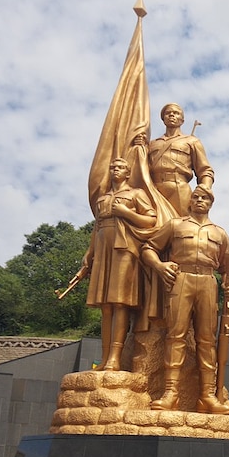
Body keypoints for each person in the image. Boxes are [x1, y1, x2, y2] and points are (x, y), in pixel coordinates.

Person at [141, 186, 229, 414]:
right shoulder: (176, 225)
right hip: (181, 280)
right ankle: (170, 394)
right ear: (190, 201)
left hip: (207, 282)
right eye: (196, 197)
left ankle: (207, 396)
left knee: (206, 341)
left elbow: (227, 270)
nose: (200, 200)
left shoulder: (220, 233)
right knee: (175, 336)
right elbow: (148, 248)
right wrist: (160, 266)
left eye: (205, 197)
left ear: (211, 203)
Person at [81, 157, 157, 371]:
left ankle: (115, 356)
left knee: (119, 301)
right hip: (104, 249)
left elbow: (151, 220)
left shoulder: (136, 194)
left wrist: (126, 213)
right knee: (105, 305)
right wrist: (90, 252)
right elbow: (97, 227)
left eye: (121, 167)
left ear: (128, 172)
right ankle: (105, 357)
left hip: (125, 248)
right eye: (113, 167)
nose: (116, 169)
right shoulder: (102, 198)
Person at [148, 103, 214, 216]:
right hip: (154, 189)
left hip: (179, 188)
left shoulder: (192, 141)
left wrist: (204, 188)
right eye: (168, 113)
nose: (171, 115)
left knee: (183, 227)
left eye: (176, 113)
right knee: (153, 225)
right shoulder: (152, 144)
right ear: (163, 119)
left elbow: (205, 170)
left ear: (182, 120)